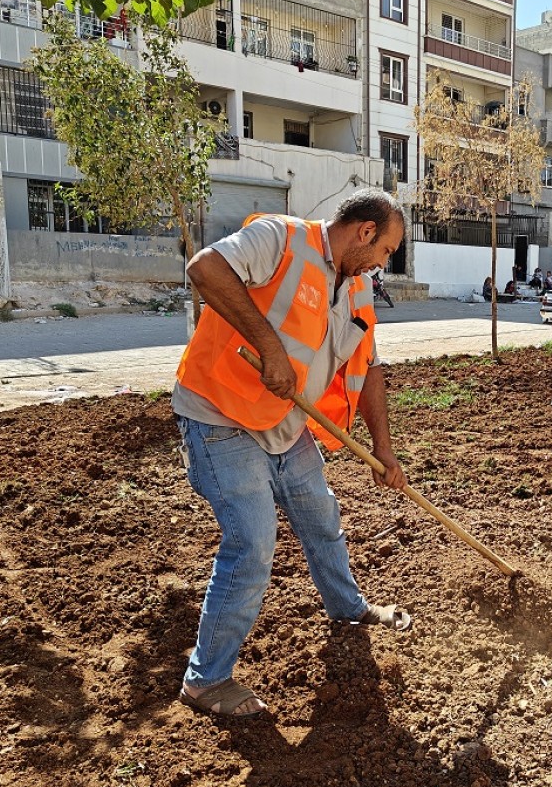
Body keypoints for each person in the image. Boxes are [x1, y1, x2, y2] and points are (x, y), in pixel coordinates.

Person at [172, 189, 411, 717]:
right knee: (253, 544)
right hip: (221, 417)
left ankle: (347, 609)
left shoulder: (357, 288)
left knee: (321, 516)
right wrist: (271, 346)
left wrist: (383, 449)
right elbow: (205, 267)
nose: (383, 263)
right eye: (386, 250)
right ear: (365, 232)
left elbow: (369, 367)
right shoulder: (280, 238)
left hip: (286, 423)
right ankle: (205, 680)